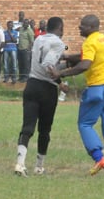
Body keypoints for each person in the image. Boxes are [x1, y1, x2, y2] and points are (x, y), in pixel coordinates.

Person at [51, 14, 104, 176]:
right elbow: (86, 56)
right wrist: (69, 57)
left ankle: (99, 158)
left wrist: (60, 73)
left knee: (85, 123)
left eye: (82, 25)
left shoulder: (89, 41)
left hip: (99, 87)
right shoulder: (103, 38)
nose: (79, 27)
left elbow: (85, 64)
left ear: (90, 27)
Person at [14, 17, 68, 177]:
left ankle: (20, 163)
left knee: (27, 127)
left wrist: (66, 60)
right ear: (60, 28)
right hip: (46, 88)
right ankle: (39, 166)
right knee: (44, 129)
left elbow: (43, 60)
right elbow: (48, 65)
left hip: (31, 84)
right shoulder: (58, 42)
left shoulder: (38, 39)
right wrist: (60, 82)